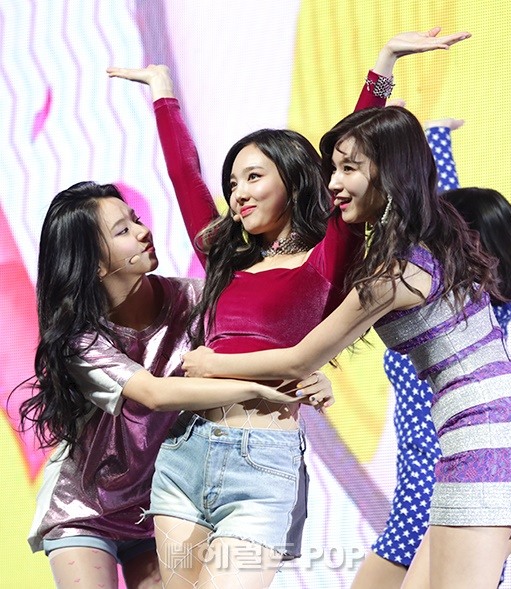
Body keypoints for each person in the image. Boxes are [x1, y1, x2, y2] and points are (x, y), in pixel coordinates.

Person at [108, 27, 471, 589]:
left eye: (254, 177)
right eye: (233, 182)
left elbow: (353, 152)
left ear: (296, 183)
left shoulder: (325, 259)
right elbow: (185, 176)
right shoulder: (224, 259)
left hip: (262, 461)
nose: (239, 193)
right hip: (185, 453)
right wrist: (163, 92)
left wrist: (384, 65)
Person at [181, 106, 511, 589]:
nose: (333, 183)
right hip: (496, 420)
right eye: (332, 169)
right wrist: (393, 86)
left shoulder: (393, 274)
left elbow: (300, 357)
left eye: (348, 169)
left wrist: (213, 363)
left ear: (389, 172)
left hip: (487, 428)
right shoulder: (433, 239)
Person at [19, 182, 329, 589]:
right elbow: (154, 394)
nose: (143, 231)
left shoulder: (196, 299)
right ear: (94, 265)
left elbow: (253, 348)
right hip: (86, 508)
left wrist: (300, 374)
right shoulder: (80, 339)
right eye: (123, 230)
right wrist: (258, 388)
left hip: (164, 500)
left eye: (136, 220)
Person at [352, 120, 511, 589]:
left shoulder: (459, 298)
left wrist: (404, 141)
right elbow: (440, 209)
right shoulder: (469, 301)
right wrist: (433, 138)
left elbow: (433, 214)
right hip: (443, 473)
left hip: (446, 474)